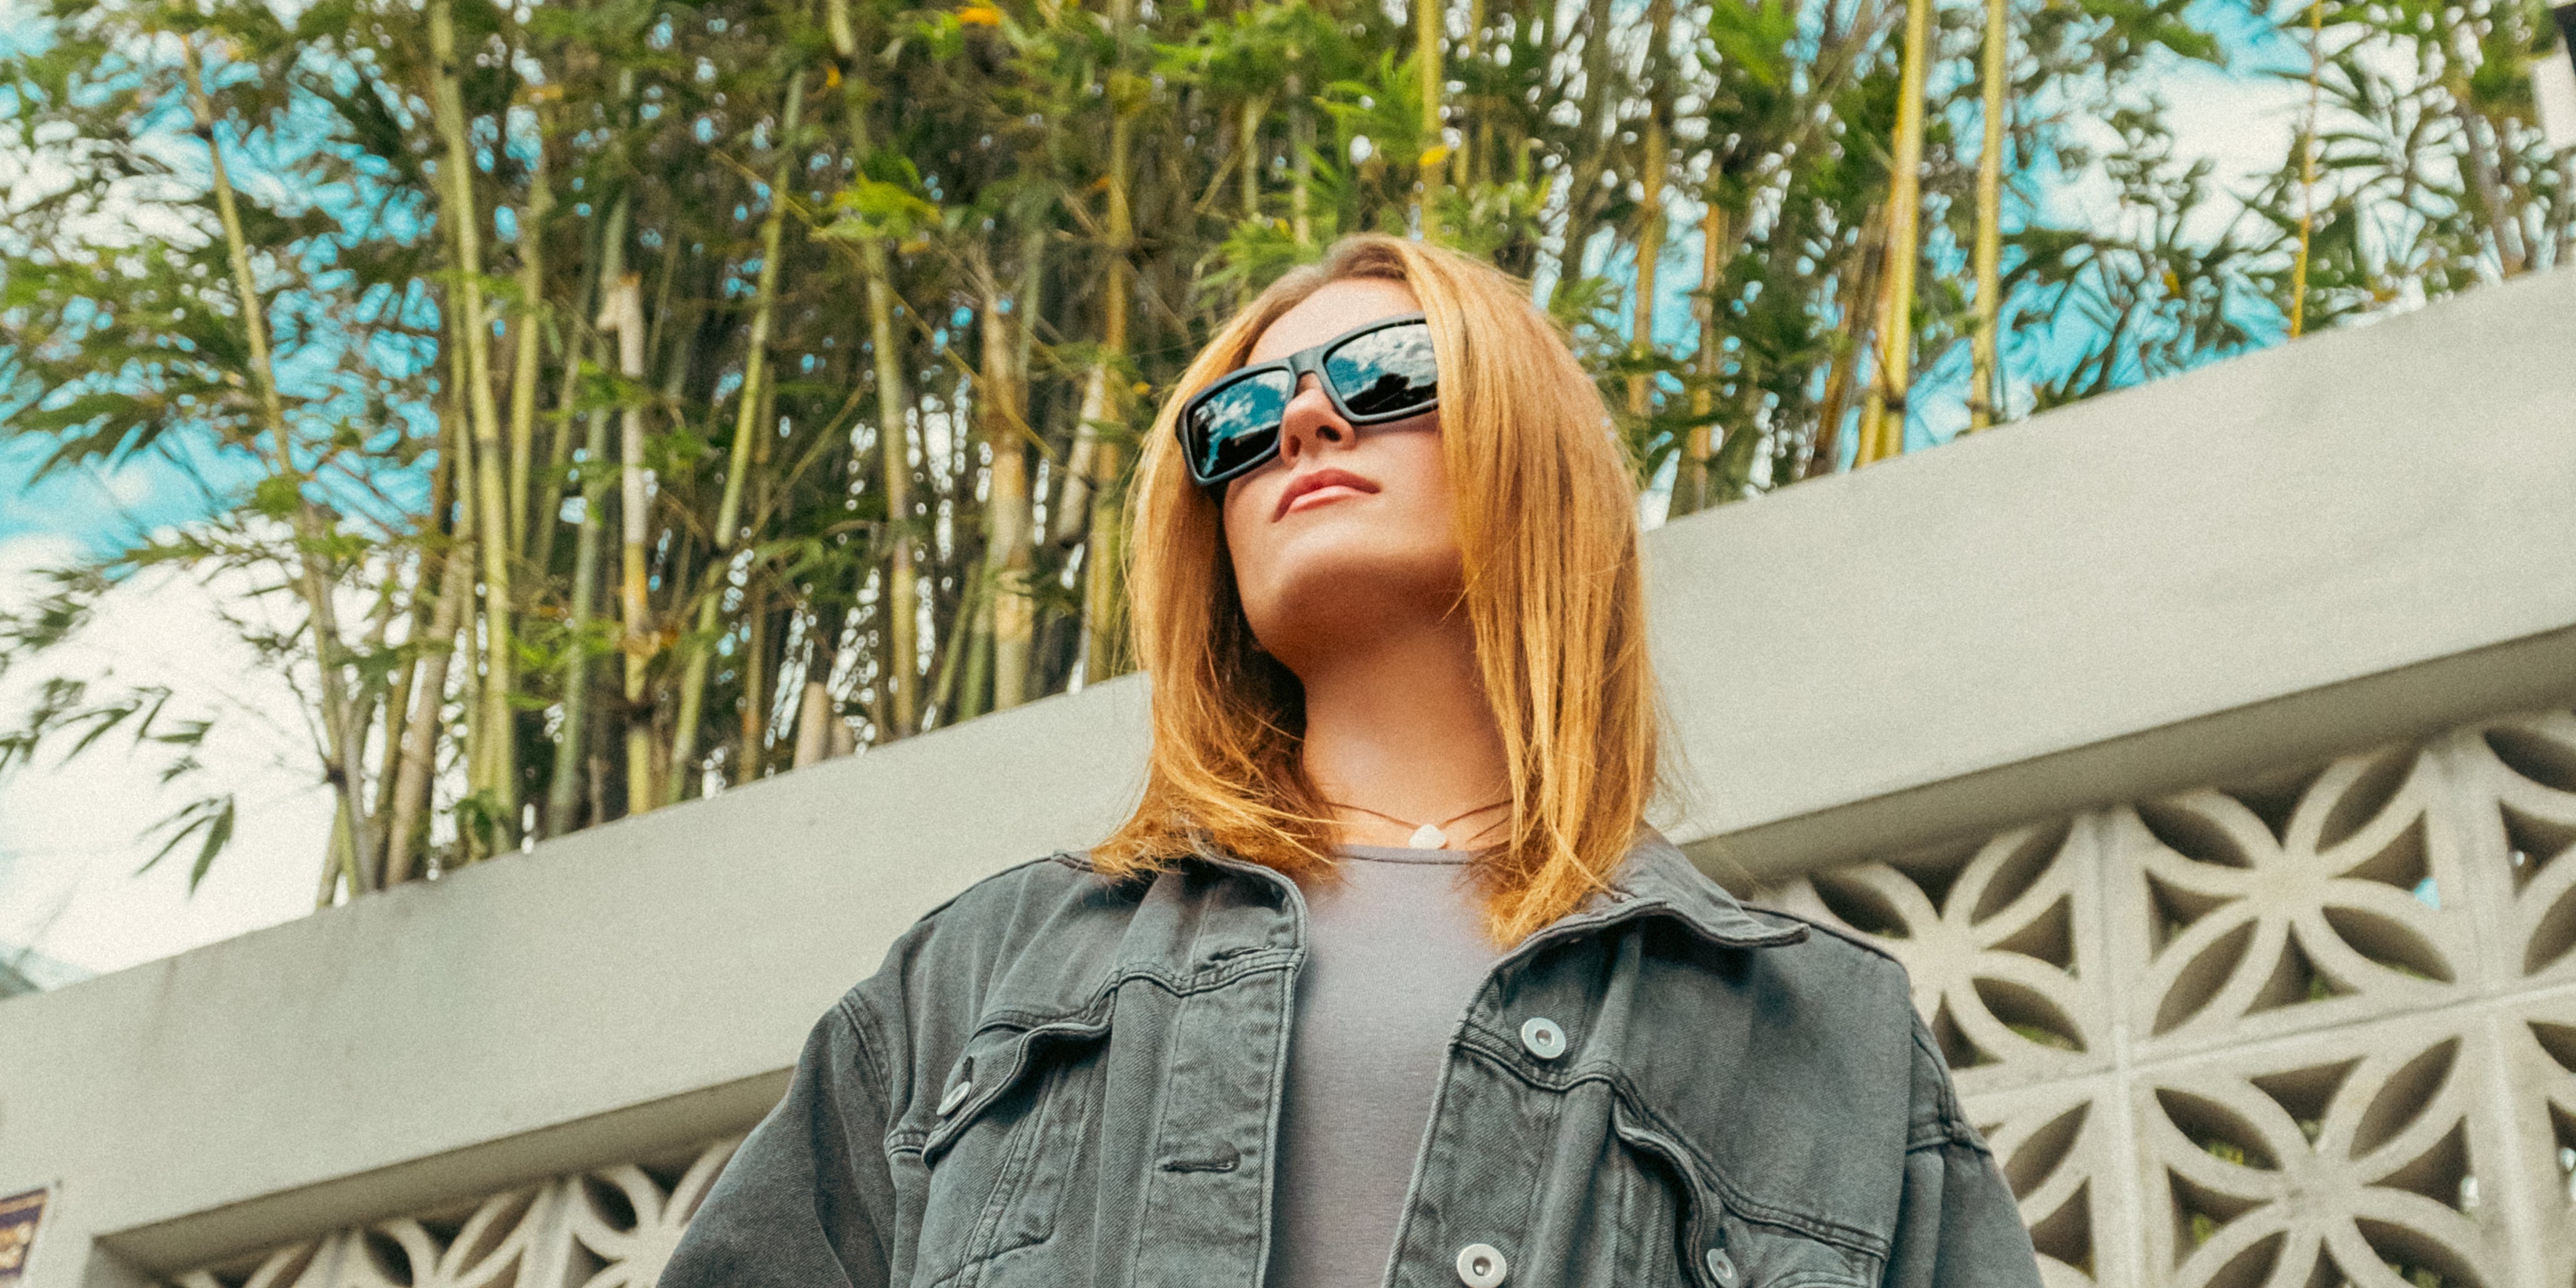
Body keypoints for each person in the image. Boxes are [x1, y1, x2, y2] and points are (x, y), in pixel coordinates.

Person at [656, 234, 2043, 1288]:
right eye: (1241, 420)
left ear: (1532, 450)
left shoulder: (1825, 1038)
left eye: (1387, 377)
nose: (1304, 426)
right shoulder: (979, 976)